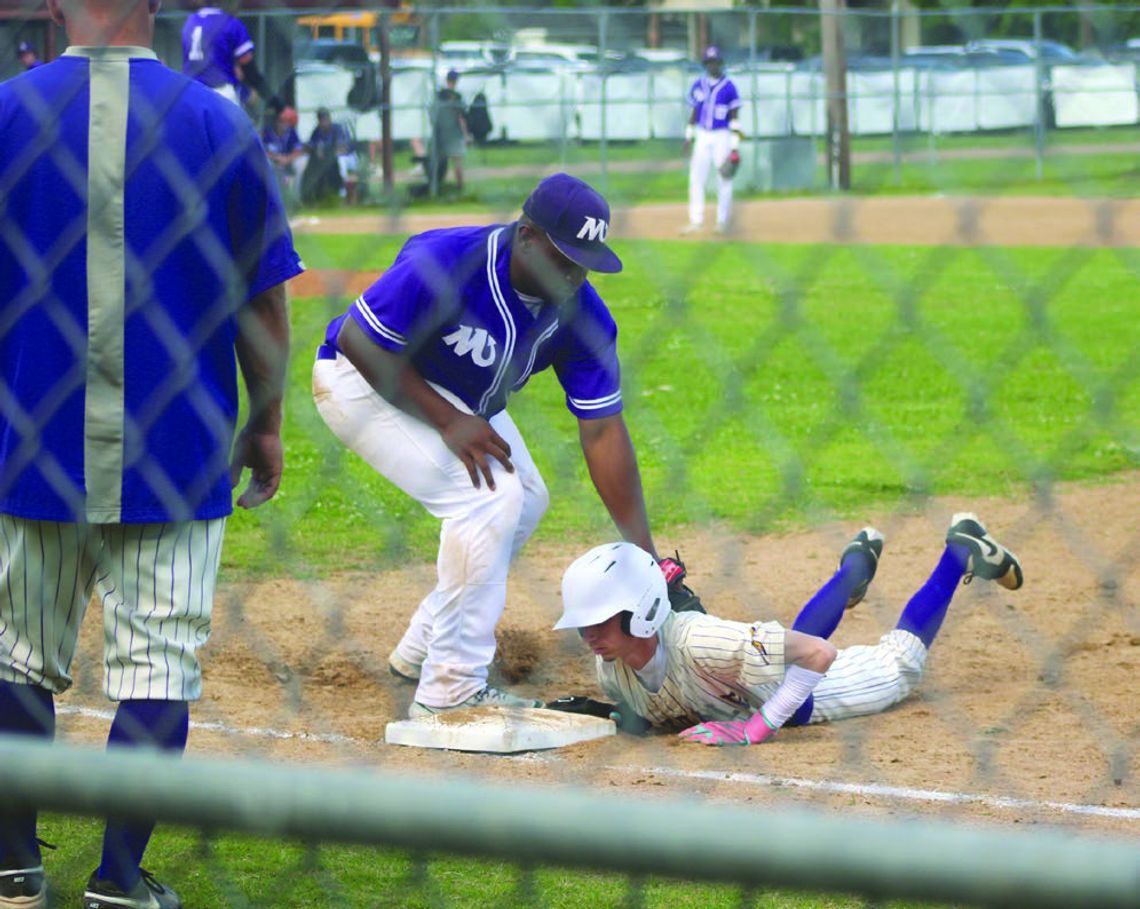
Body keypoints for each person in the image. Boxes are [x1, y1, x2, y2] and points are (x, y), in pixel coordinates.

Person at [0, 1, 302, 907]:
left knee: (15, 656)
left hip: (28, 440)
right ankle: (120, 878)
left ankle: (12, 865)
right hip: (174, 449)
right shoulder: (217, 122)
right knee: (158, 663)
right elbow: (263, 301)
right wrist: (266, 418)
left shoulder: (6, 112)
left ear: (57, 5)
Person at [313, 173, 681, 718]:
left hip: (458, 400)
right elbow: (358, 339)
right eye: (563, 259)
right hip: (360, 379)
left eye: (583, 264)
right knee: (488, 498)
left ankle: (422, 649)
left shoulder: (583, 317)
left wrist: (645, 554)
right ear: (526, 236)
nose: (573, 276)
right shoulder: (447, 260)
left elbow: (603, 430)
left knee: (527, 498)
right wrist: (448, 421)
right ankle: (451, 688)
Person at [554, 514, 1024, 746]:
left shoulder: (703, 641)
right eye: (582, 625)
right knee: (780, 649)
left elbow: (820, 655)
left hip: (819, 690)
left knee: (902, 664)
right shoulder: (610, 671)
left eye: (598, 620)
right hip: (763, 678)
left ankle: (961, 551)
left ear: (638, 611)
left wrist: (754, 729)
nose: (588, 636)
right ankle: (855, 566)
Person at [681, 45, 743, 236]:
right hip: (702, 134)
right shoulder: (699, 85)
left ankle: (722, 221)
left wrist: (734, 146)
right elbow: (694, 112)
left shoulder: (729, 87)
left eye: (715, 62)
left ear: (720, 63)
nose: (712, 66)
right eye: (709, 62)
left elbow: (734, 118)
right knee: (696, 178)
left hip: (722, 135)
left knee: (724, 177)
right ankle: (696, 221)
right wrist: (689, 136)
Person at [181, 1, 270, 107]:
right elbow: (249, 68)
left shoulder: (190, 22)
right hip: (221, 91)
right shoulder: (230, 23)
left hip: (191, 92)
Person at [430, 69, 471, 193]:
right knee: (456, 161)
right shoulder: (456, 97)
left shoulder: (439, 95)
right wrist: (466, 135)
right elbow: (461, 118)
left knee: (441, 162)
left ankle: (438, 187)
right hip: (453, 134)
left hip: (440, 133)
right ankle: (459, 187)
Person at [301, 107, 352, 205]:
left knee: (341, 163)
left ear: (329, 118)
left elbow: (342, 149)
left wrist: (327, 154)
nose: (323, 121)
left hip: (346, 157)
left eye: (325, 118)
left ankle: (342, 195)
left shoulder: (337, 128)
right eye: (321, 119)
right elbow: (311, 146)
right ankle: (311, 196)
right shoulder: (317, 131)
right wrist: (316, 150)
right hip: (326, 158)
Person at [262, 104, 304, 204]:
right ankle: (269, 199)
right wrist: (277, 157)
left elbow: (299, 150)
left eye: (286, 122)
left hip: (288, 161)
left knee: (301, 163)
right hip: (273, 161)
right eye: (281, 121)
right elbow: (262, 151)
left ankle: (297, 199)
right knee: (267, 163)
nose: (283, 124)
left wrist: (287, 159)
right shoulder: (267, 132)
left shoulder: (291, 132)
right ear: (276, 121)